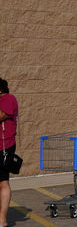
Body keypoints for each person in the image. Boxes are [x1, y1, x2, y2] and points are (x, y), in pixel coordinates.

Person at [0, 78, 18, 227]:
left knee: (3, 182)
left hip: (4, 147)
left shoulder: (9, 99)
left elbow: (1, 116)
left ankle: (2, 220)